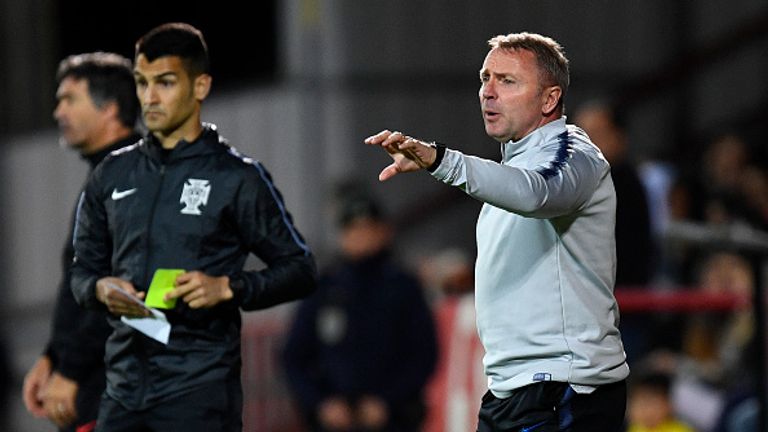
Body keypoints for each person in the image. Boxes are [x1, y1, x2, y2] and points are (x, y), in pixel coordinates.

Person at [365, 32, 629, 431]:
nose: (488, 92)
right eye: (485, 78)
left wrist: (442, 160)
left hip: (564, 389)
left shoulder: (574, 154)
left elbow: (539, 193)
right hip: (515, 391)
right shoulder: (512, 170)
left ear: (549, 99)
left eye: (507, 81)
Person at [69, 23, 316, 432]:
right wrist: (99, 289)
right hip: (123, 391)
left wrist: (229, 287)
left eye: (164, 83)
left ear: (200, 86)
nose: (149, 97)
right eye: (141, 82)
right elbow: (82, 270)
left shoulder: (236, 178)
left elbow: (300, 269)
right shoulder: (111, 174)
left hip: (197, 393)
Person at [22, 52, 141, 432]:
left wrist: (71, 370)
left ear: (109, 110)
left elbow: (124, 292)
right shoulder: (107, 178)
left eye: (70, 99)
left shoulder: (134, 180)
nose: (59, 111)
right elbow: (81, 285)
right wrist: (51, 357)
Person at [282, 195, 437, 432]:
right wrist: (321, 403)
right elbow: (293, 356)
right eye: (353, 230)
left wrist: (387, 401)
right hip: (334, 421)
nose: (361, 237)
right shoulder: (325, 288)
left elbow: (423, 354)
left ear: (384, 231)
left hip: (392, 420)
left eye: (368, 229)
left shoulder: (403, 287)